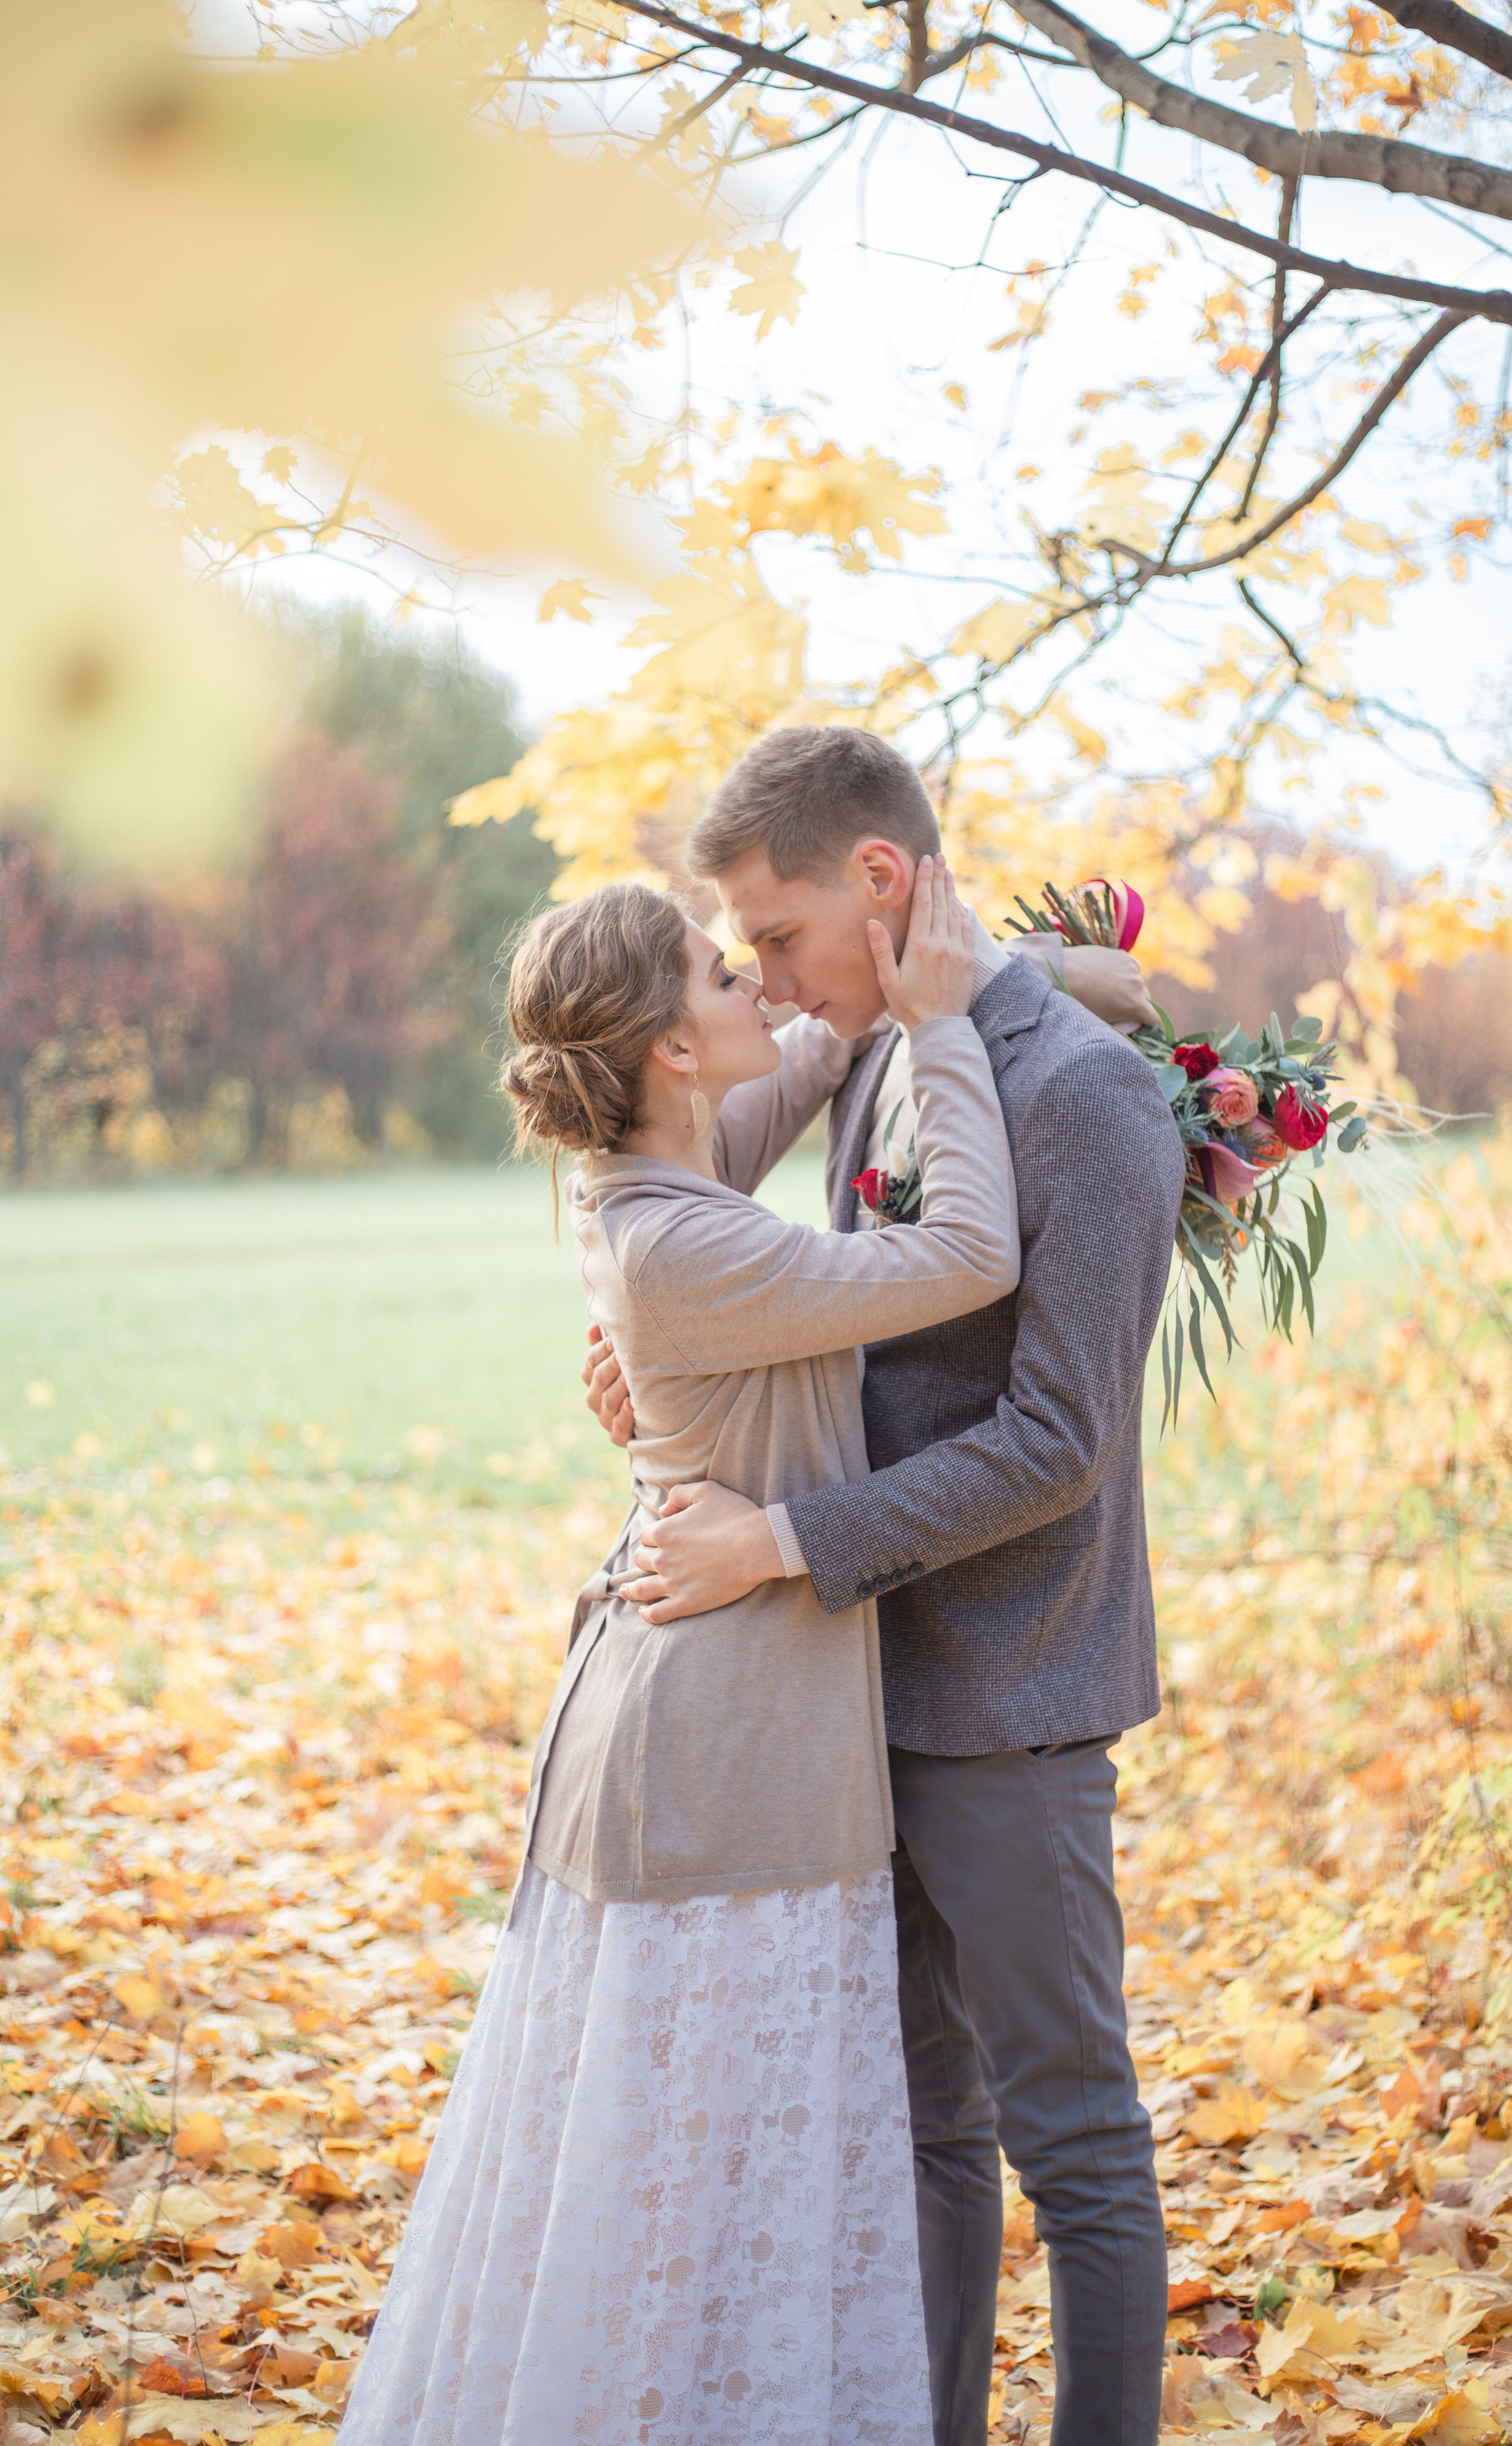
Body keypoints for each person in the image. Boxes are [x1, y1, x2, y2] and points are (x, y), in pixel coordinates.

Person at [336, 857, 1024, 2446]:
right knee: (694, 2183)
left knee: (705, 2172)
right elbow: (973, 1259)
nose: (755, 992)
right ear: (663, 1050)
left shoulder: (655, 1176)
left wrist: (972, 980)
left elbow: (812, 1050)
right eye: (724, 977)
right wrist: (946, 1037)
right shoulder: (686, 1244)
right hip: (720, 1747)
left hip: (697, 1703)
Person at [581, 725, 1187, 2446]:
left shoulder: (1083, 1101)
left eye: (771, 939)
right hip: (850, 1693)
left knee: (1072, 2135)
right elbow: (748, 1271)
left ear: (878, 880)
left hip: (1007, 1693)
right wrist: (643, 1356)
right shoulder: (873, 1053)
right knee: (925, 2122)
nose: (762, 979)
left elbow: (1060, 1443)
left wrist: (781, 1544)